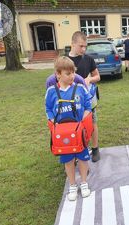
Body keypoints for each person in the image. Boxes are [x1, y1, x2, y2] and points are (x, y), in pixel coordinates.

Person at [45, 56, 92, 201]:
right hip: (63, 135)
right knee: (68, 160)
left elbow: (88, 106)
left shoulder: (80, 89)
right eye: (68, 73)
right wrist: (54, 123)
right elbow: (48, 109)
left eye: (73, 72)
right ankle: (72, 185)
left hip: (79, 133)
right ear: (58, 74)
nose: (72, 76)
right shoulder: (51, 91)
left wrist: (82, 123)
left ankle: (84, 183)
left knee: (83, 158)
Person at [53, 31, 101, 162]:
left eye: (85, 46)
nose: (84, 49)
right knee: (72, 124)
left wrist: (89, 79)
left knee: (92, 123)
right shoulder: (64, 61)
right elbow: (56, 79)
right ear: (72, 44)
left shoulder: (89, 59)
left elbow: (98, 76)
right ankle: (73, 150)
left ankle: (95, 148)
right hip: (68, 100)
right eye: (81, 46)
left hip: (88, 98)